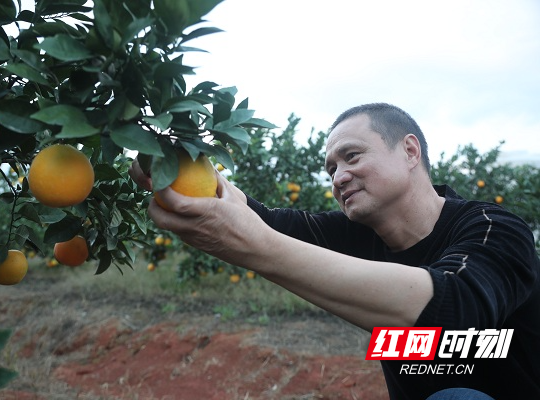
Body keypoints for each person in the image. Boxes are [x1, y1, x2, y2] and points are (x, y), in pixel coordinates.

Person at [129, 103, 540, 400]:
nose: (339, 177)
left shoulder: (494, 228)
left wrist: (256, 248)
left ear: (410, 151)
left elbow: (454, 306)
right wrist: (177, 158)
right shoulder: (357, 235)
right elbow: (257, 218)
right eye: (330, 170)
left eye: (352, 156)